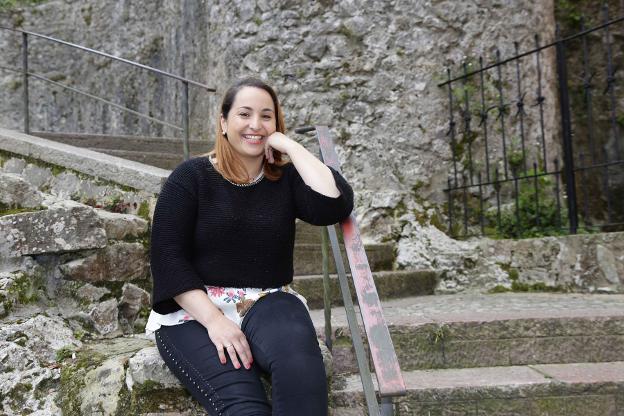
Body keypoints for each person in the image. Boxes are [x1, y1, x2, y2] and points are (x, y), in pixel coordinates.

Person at [146, 77, 354, 416]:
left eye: (266, 116)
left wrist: (290, 146)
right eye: (244, 114)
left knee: (301, 368)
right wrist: (215, 320)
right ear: (224, 123)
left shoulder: (284, 180)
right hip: (194, 312)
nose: (255, 125)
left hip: (267, 301)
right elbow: (168, 258)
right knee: (244, 407)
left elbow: (334, 204)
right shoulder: (190, 177)